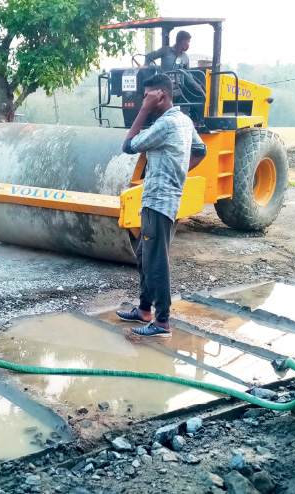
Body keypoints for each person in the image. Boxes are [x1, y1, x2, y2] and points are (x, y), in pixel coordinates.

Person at [115, 73, 207, 338]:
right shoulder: (184, 120)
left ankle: (162, 322)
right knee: (145, 255)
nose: (143, 100)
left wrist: (143, 111)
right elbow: (201, 150)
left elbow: (128, 145)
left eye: (147, 96)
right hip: (161, 199)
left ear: (161, 95)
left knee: (156, 262)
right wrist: (179, 173)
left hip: (158, 201)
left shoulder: (165, 125)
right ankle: (144, 310)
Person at [144, 30, 205, 99]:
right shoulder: (165, 51)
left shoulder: (185, 57)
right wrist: (147, 73)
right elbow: (148, 57)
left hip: (177, 85)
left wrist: (196, 86)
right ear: (183, 43)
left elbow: (188, 74)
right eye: (188, 42)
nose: (189, 44)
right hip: (162, 83)